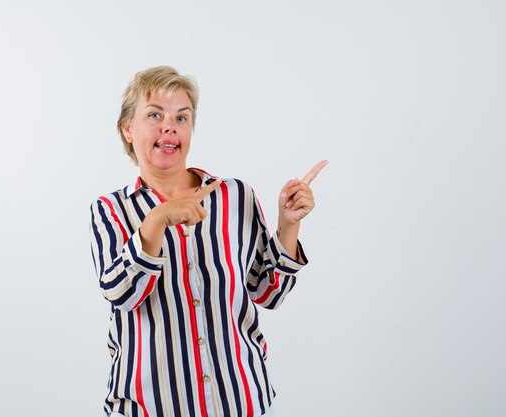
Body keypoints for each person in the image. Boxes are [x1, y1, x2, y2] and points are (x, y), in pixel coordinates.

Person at [89, 65, 327, 417]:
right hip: (152, 406)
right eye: (155, 114)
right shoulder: (111, 209)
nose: (169, 125)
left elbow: (268, 292)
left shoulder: (235, 196)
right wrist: (156, 220)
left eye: (182, 118)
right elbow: (122, 295)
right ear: (127, 129)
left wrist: (288, 225)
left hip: (238, 398)